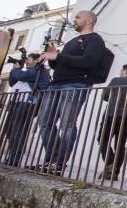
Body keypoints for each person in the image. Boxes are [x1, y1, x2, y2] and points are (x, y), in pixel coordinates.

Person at [37, 11, 106, 174]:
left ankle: (59, 163)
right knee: (44, 122)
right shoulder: (71, 42)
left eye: (77, 17)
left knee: (67, 124)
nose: (74, 20)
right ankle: (52, 160)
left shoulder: (95, 40)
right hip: (56, 85)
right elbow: (58, 65)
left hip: (76, 84)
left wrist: (59, 57)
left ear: (89, 20)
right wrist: (54, 57)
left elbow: (90, 61)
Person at [4, 52, 50, 166]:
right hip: (16, 103)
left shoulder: (39, 70)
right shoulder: (27, 72)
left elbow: (22, 76)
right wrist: (14, 70)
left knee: (18, 132)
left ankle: (14, 159)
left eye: (28, 60)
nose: (26, 62)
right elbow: (12, 82)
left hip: (27, 104)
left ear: (36, 61)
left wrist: (16, 70)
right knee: (10, 131)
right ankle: (11, 156)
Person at [98, 64, 127, 180]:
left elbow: (105, 95)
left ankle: (110, 163)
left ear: (125, 71)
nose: (120, 72)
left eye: (121, 70)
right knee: (120, 143)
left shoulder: (116, 80)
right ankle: (114, 172)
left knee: (103, 138)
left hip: (113, 113)